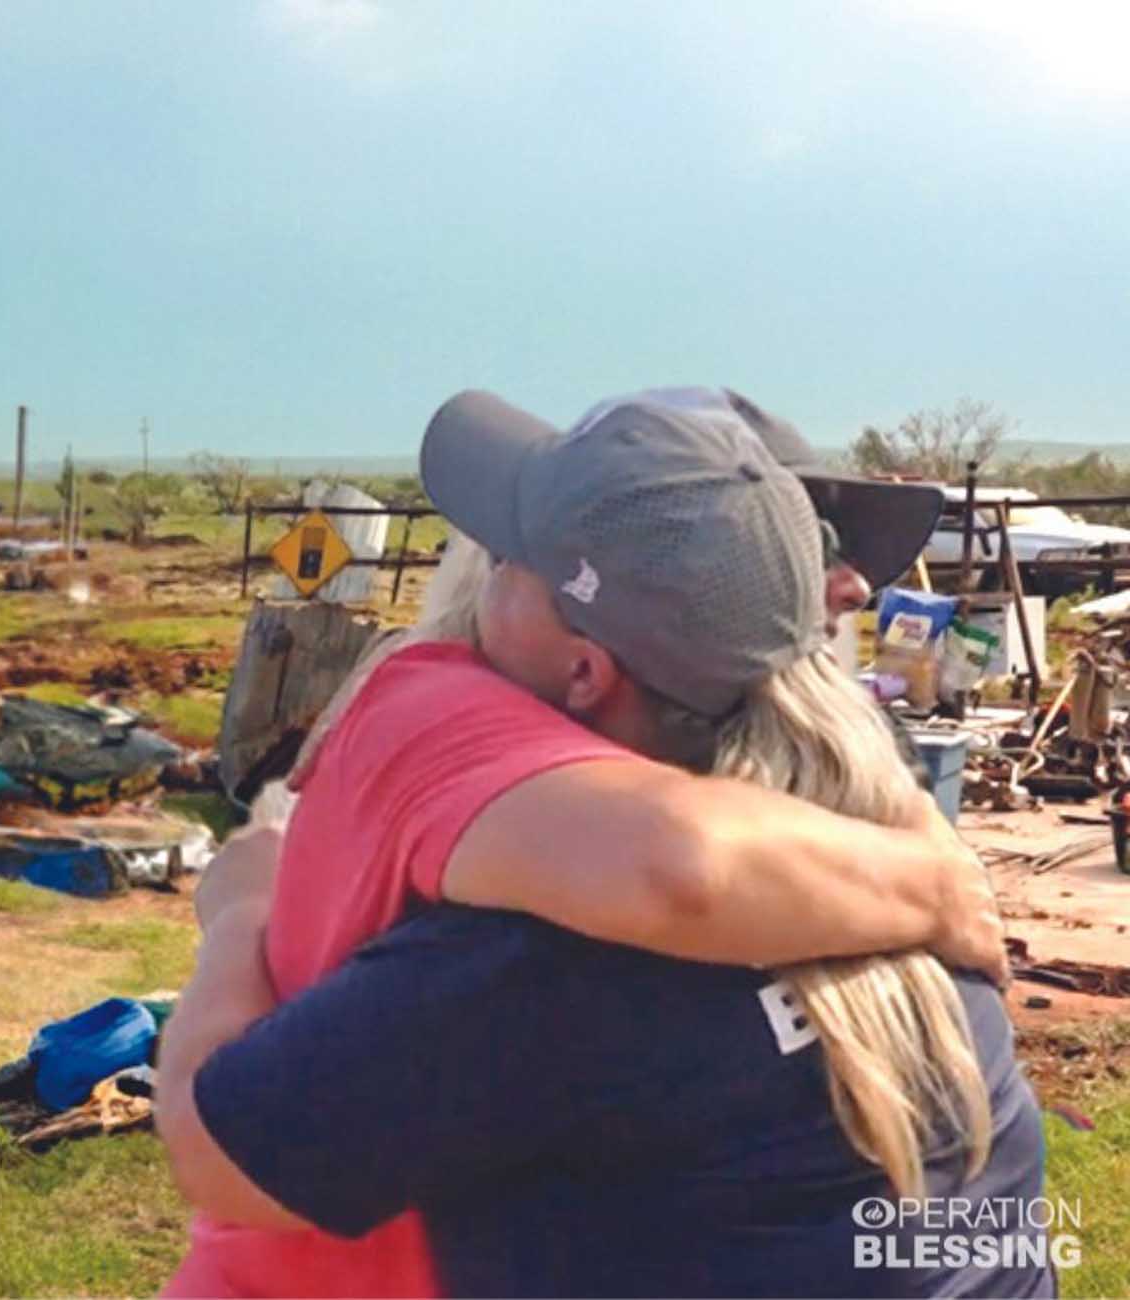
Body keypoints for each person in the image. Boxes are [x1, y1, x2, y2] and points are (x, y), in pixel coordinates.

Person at [158, 392, 1047, 1296]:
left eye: (508, 561)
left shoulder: (545, 963)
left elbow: (216, 1151)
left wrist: (240, 909)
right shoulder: (883, 829)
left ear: (584, 669)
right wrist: (934, 885)